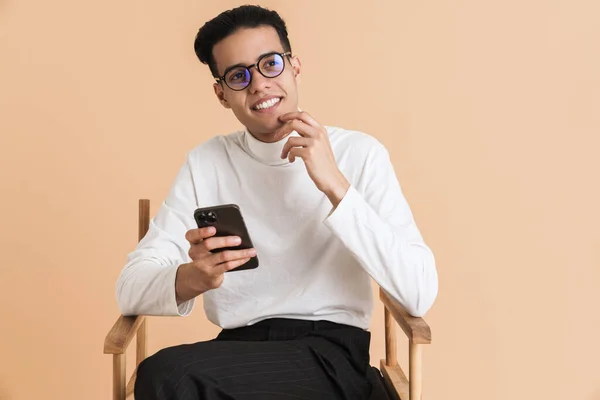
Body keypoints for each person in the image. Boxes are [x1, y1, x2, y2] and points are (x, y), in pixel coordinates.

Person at [116, 5, 438, 400]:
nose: (258, 85)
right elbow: (130, 288)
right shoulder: (206, 162)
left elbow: (418, 292)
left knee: (172, 376)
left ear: (294, 66)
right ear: (221, 94)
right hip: (237, 354)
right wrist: (195, 277)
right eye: (238, 76)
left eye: (270, 64)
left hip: (330, 353)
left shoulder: (359, 153)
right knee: (169, 374)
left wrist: (336, 185)